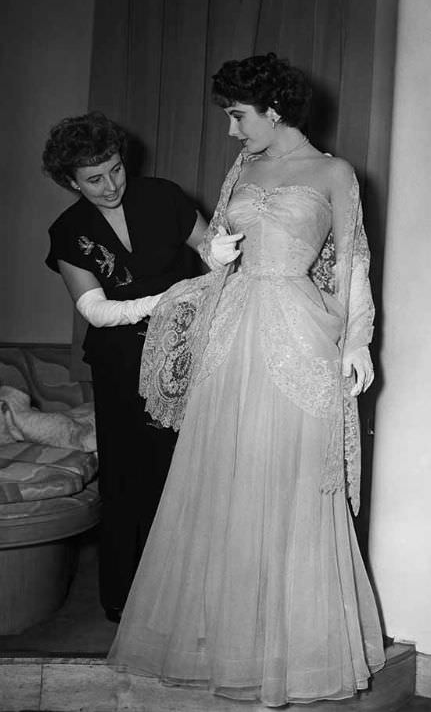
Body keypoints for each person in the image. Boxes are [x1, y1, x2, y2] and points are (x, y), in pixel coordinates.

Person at [108, 54, 385, 706]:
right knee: (226, 476)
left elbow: (352, 265)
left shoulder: (335, 172)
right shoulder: (244, 168)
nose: (231, 131)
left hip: (299, 331)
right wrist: (216, 252)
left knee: (289, 481)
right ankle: (224, 645)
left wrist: (356, 339)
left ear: (274, 109)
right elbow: (219, 245)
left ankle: (292, 651)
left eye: (237, 115)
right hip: (233, 333)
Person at [42, 111, 210, 623]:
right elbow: (94, 309)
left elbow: (210, 250)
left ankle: (188, 595)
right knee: (125, 478)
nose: (111, 184)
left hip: (186, 354)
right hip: (119, 364)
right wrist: (165, 301)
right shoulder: (68, 231)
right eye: (94, 179)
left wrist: (218, 264)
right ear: (71, 182)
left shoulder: (163, 195)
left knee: (186, 470)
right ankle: (125, 601)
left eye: (115, 169)